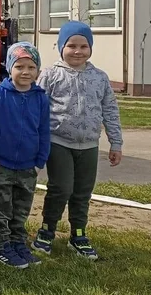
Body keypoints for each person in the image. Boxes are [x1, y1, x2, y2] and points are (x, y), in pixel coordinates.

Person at [34, 21, 123, 260]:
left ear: (91, 48)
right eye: (71, 45)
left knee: (82, 191)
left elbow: (110, 110)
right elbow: (38, 107)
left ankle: (79, 234)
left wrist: (116, 142)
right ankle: (47, 229)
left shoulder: (100, 78)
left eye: (84, 46)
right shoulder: (51, 75)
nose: (77, 51)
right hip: (58, 142)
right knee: (61, 188)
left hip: (90, 145)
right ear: (61, 47)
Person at [0, 42, 50, 269]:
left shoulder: (40, 97)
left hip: (29, 166)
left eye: (31, 67)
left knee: (21, 209)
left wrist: (40, 160)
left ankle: (18, 242)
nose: (25, 72)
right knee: (2, 209)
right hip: (1, 165)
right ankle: (2, 247)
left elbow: (43, 130)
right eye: (19, 66)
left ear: (38, 71)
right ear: (10, 68)